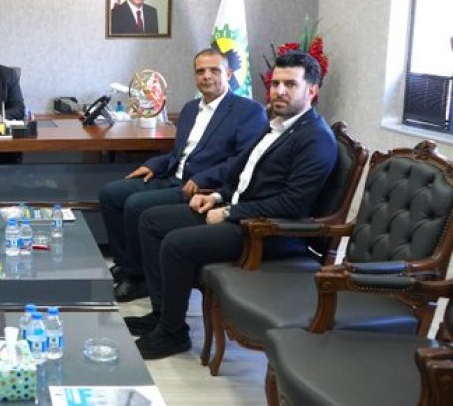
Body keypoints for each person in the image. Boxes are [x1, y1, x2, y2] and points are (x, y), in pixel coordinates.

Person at [130, 51, 338, 360]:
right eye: (275, 83)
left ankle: (173, 335)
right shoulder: (275, 125)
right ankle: (163, 316)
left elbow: (292, 204)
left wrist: (229, 211)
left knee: (176, 244)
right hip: (240, 212)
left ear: (312, 90)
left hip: (268, 233)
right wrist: (216, 196)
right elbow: (244, 178)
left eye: (290, 85)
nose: (279, 91)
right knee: (150, 220)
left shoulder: (315, 139)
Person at [100, 49, 267, 303]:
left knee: (135, 205)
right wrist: (154, 165)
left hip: (201, 188)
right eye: (200, 71)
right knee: (111, 194)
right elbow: (179, 153)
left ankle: (138, 278)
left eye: (214, 70)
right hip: (171, 176)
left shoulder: (248, 111)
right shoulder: (190, 109)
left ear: (229, 74)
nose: (206, 76)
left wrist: (205, 179)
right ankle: (127, 264)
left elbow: (242, 161)